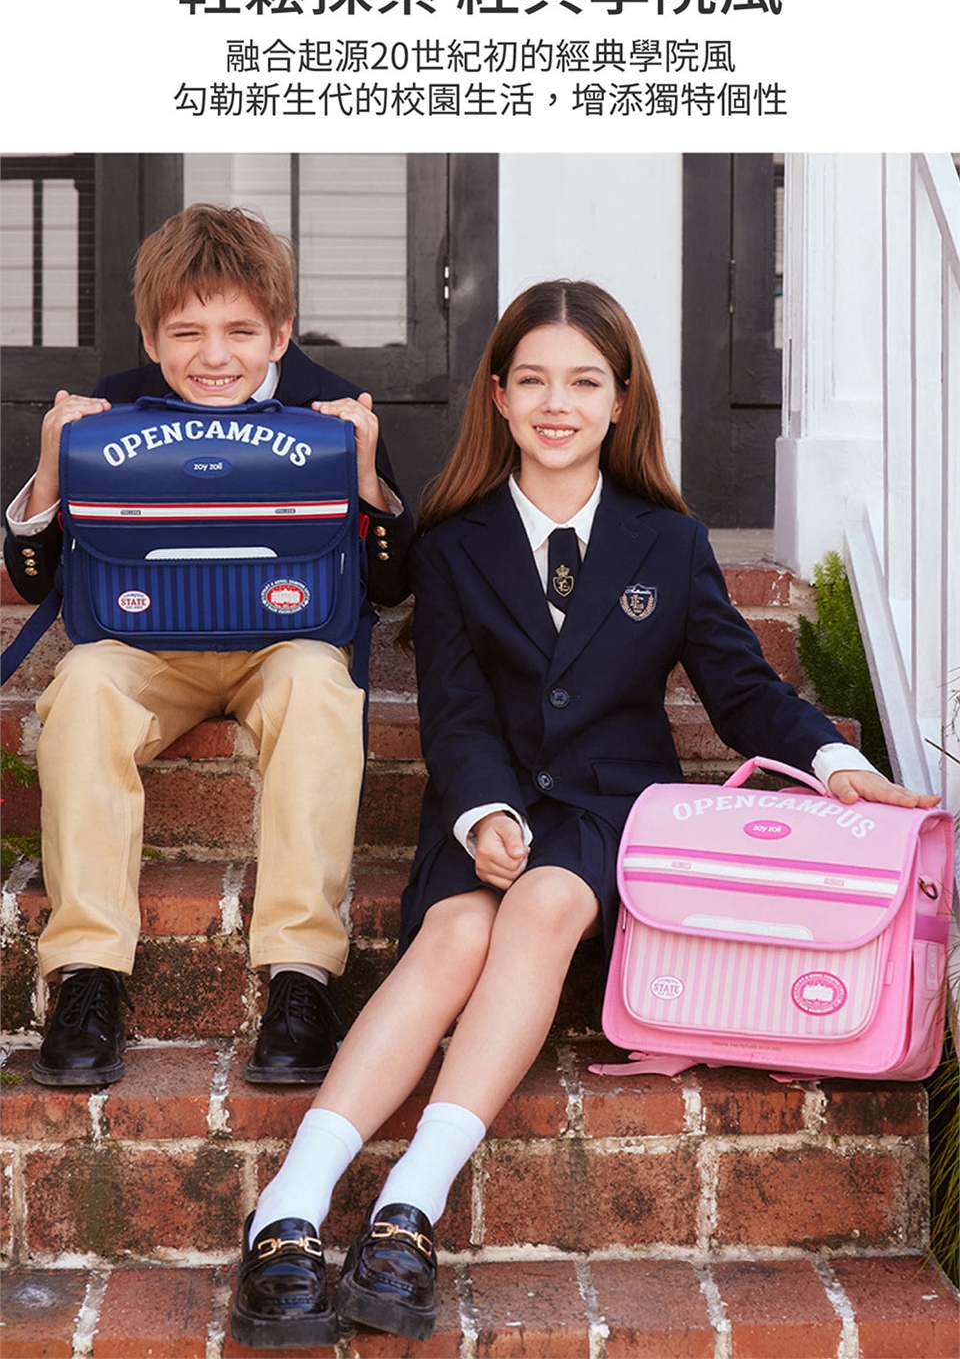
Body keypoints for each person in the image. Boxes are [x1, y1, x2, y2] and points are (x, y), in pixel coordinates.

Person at [230, 280, 939, 1349]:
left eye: (583, 382)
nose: (557, 404)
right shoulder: (454, 544)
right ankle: (289, 1203)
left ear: (620, 400)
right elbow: (455, 710)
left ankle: (410, 1203)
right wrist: (482, 815)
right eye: (533, 381)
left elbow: (742, 692)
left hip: (611, 815)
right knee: (454, 932)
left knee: (548, 902)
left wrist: (835, 762)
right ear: (500, 397)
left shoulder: (669, 542)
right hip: (484, 810)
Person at [3, 204, 413, 1089]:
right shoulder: (110, 407)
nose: (214, 356)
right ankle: (87, 974)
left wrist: (368, 480)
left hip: (286, 643)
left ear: (281, 333)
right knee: (83, 683)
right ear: (152, 338)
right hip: (148, 644)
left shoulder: (331, 408)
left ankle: (302, 977)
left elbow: (389, 585)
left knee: (319, 686)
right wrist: (49, 468)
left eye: (240, 331)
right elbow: (36, 582)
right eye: (186, 333)